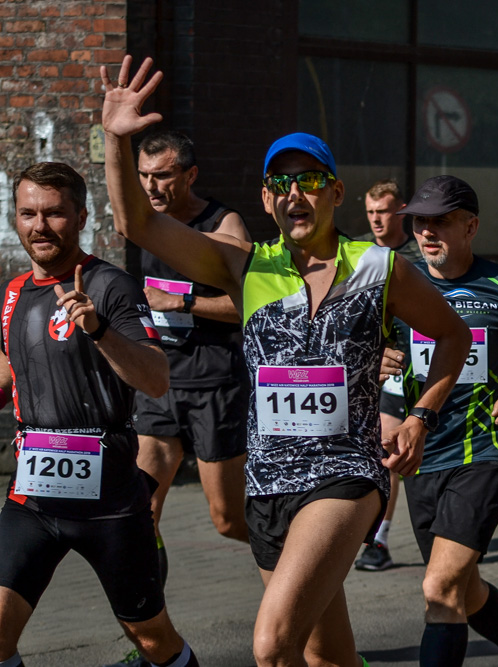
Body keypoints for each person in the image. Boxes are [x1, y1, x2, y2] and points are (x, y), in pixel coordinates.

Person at [101, 55, 471, 667]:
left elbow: (454, 338)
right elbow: (134, 221)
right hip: (268, 484)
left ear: (336, 191)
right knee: (329, 657)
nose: (294, 193)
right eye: (280, 182)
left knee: (273, 647)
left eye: (309, 180)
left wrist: (420, 416)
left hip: (345, 473)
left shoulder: (379, 268)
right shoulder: (244, 266)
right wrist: (118, 140)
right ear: (266, 197)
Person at [0, 162, 200, 667]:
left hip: (108, 499)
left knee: (152, 639)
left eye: (54, 214)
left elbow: (156, 377)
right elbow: (12, 371)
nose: (39, 226)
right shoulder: (14, 292)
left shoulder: (111, 287)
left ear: (81, 216)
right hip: (33, 495)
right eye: (27, 213)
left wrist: (98, 330)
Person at [386, 175, 498, 666]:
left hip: (485, 451)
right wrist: (378, 356)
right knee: (461, 587)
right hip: (421, 454)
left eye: (440, 222)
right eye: (419, 222)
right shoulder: (397, 282)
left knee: (439, 587)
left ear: (470, 227)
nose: (426, 233)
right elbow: (368, 345)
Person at [132, 130, 252, 590]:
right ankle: (154, 642)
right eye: (143, 176)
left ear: (190, 174)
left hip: (215, 385)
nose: (151, 187)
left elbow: (251, 304)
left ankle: (298, 567)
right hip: (160, 382)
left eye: (162, 176)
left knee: (226, 519)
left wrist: (181, 304)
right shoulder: (142, 221)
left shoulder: (225, 224)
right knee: (142, 515)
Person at [354, 178, 422, 572]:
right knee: (388, 449)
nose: (377, 220)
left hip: (422, 360)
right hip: (379, 364)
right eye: (371, 212)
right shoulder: (358, 249)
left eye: (384, 212)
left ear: (400, 212)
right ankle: (378, 541)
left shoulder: (418, 249)